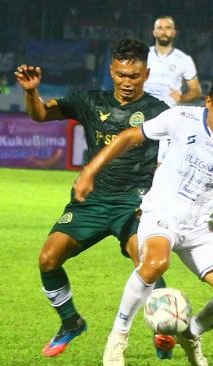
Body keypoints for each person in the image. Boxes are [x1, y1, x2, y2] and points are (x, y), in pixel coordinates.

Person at [73, 76, 213, 366]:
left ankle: (191, 333)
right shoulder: (180, 118)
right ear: (209, 103)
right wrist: (89, 171)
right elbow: (129, 136)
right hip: (161, 213)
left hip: (200, 228)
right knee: (156, 263)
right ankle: (117, 338)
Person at [14, 38, 169, 358]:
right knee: (48, 259)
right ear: (111, 71)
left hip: (135, 204)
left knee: (148, 262)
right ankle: (71, 322)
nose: (128, 82)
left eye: (135, 76)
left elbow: (176, 158)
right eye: (122, 75)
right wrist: (32, 92)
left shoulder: (159, 112)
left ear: (147, 74)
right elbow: (41, 114)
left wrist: (159, 200)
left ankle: (165, 326)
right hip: (92, 202)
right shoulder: (88, 100)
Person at [144, 16, 202, 107]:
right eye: (160, 28)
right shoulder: (142, 55)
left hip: (168, 110)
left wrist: (182, 98)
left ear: (174, 32)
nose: (164, 32)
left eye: (168, 28)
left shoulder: (184, 59)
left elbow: (196, 91)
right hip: (143, 107)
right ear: (154, 33)